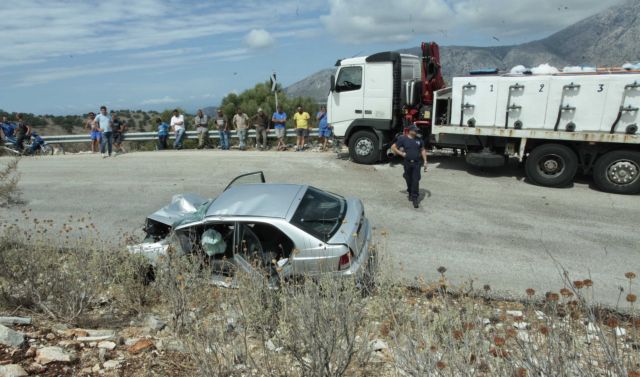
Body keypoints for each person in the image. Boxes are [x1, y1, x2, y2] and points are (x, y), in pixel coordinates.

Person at [391, 125, 428, 209]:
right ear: (410, 131)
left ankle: (415, 198)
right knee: (408, 178)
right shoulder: (403, 139)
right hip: (407, 163)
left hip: (417, 163)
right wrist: (401, 153)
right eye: (415, 130)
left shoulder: (419, 140)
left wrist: (425, 161)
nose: (416, 132)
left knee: (416, 180)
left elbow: (422, 150)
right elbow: (393, 147)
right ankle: (410, 191)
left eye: (417, 130)